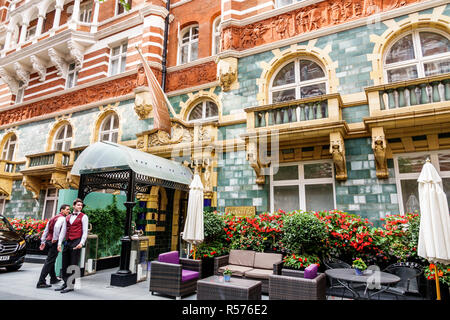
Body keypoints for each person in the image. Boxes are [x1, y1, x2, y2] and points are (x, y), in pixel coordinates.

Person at [55, 198, 89, 294]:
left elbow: (85, 232)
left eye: (81, 205)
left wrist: (81, 243)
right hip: (67, 242)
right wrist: (59, 243)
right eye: (78, 205)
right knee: (65, 263)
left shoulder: (84, 216)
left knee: (73, 264)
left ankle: (71, 285)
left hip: (76, 241)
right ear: (74, 206)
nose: (80, 207)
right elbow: (63, 231)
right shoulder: (68, 217)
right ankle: (65, 283)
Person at [36, 204, 71, 288]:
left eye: (69, 210)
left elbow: (46, 230)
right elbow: (57, 227)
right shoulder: (62, 218)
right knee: (49, 261)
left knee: (51, 260)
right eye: (67, 209)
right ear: (62, 210)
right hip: (54, 241)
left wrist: (43, 241)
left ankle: (53, 278)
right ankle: (41, 281)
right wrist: (55, 238)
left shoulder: (53, 217)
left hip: (48, 241)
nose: (68, 211)